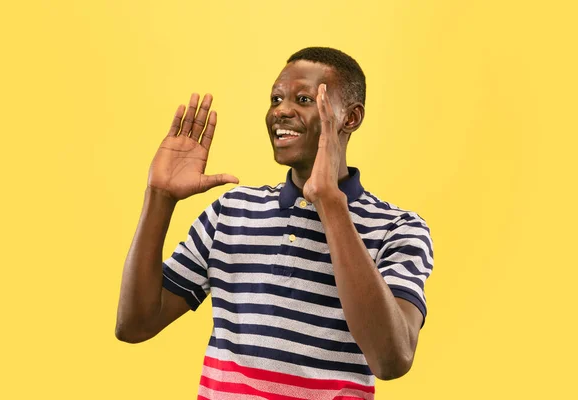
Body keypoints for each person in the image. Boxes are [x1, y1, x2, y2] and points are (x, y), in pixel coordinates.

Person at [115, 47, 434, 399]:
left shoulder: (398, 229)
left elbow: (392, 359)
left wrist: (329, 203)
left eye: (303, 99)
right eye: (276, 98)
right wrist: (160, 197)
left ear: (351, 118)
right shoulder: (231, 211)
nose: (281, 110)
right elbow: (135, 325)